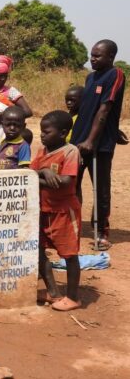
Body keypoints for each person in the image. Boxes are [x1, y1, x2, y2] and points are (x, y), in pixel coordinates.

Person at [70, 40, 125, 250]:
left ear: (110, 57)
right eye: (91, 55)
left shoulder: (115, 74)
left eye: (97, 56)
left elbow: (105, 109)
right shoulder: (90, 77)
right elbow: (89, 108)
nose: (92, 59)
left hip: (99, 143)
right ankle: (73, 224)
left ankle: (101, 232)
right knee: (72, 184)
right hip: (79, 139)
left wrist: (92, 140)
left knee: (100, 188)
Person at [32, 111, 82, 311]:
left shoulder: (70, 152)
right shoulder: (42, 151)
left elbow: (64, 182)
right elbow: (30, 172)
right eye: (41, 131)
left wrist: (38, 178)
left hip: (64, 211)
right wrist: (43, 172)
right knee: (38, 250)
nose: (42, 135)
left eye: (46, 131)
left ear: (62, 133)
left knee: (70, 255)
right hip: (44, 210)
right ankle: (53, 292)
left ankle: (73, 297)